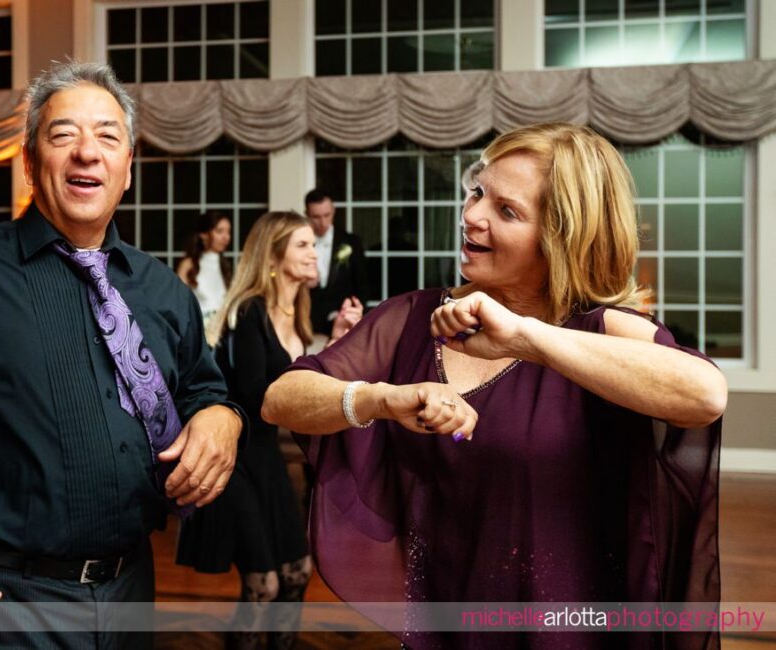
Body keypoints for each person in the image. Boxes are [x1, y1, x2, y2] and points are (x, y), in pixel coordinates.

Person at [263, 124, 726, 649]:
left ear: (561, 236)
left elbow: (704, 396)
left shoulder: (605, 332)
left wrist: (527, 338)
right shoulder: (414, 318)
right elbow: (282, 398)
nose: (471, 215)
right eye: (478, 191)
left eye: (507, 211)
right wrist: (378, 399)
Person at [0, 62, 245, 649]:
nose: (87, 152)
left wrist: (222, 417)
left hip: (133, 593)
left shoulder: (162, 292)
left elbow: (206, 389)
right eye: (63, 135)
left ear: (128, 169)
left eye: (108, 136)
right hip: (1, 604)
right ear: (29, 162)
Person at [176, 211, 359, 649]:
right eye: (302, 245)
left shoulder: (297, 312)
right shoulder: (249, 312)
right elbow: (266, 401)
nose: (314, 253)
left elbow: (301, 383)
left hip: (266, 458)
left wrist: (334, 342)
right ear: (274, 257)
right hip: (232, 461)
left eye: (312, 245)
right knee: (265, 585)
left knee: (297, 572)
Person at [304, 188, 367, 337]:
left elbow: (362, 285)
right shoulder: (298, 243)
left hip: (342, 320)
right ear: (306, 214)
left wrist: (354, 315)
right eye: (316, 217)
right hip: (306, 321)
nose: (322, 222)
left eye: (327, 215)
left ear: (334, 211)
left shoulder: (351, 242)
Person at [175, 211, 233, 325]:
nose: (226, 237)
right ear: (204, 234)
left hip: (223, 332)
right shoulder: (188, 264)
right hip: (198, 330)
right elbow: (178, 303)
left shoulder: (225, 266)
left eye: (228, 232)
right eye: (219, 231)